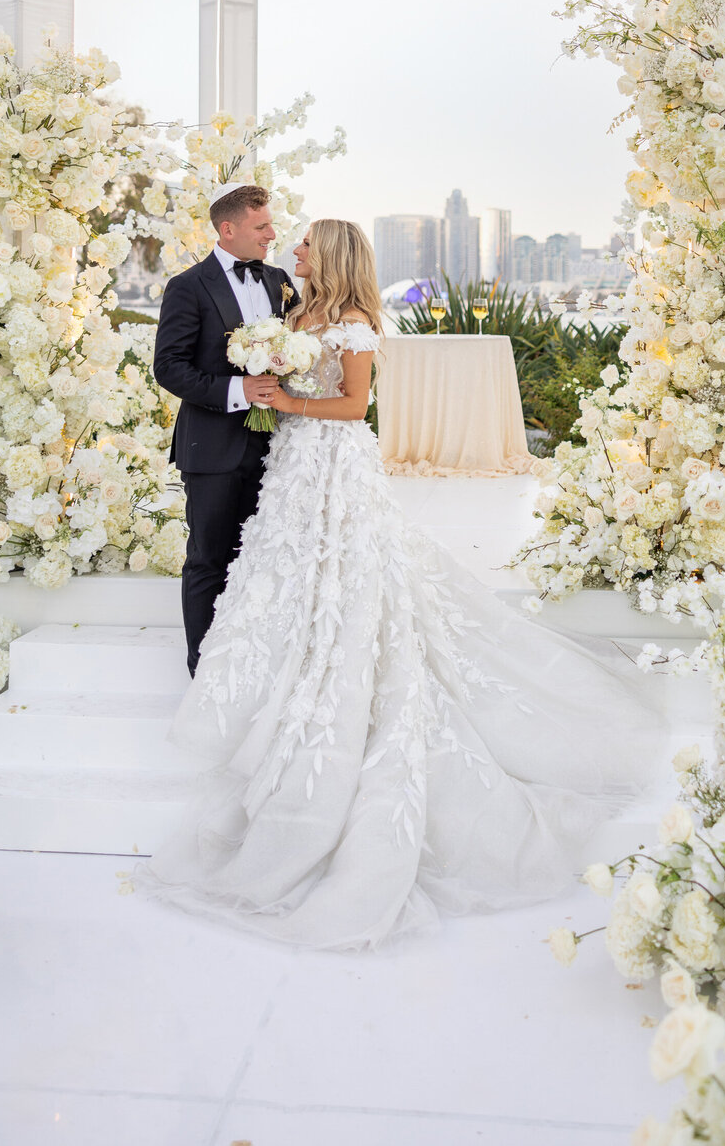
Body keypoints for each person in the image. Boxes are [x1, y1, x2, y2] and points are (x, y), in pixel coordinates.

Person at [145, 218, 661, 950]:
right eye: (285, 240)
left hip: (335, 462)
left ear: (332, 255)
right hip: (293, 466)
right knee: (286, 570)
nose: (292, 250)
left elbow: (353, 406)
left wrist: (285, 399)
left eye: (304, 244)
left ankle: (338, 669)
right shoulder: (296, 307)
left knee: (350, 577)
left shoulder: (354, 324)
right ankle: (273, 671)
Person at [152, 183, 298, 674]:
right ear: (228, 229)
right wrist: (241, 393)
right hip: (212, 449)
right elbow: (169, 368)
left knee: (263, 557)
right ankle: (205, 669)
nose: (272, 234)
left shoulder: (280, 280)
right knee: (209, 560)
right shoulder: (188, 287)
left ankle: (256, 662)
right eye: (262, 227)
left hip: (279, 449)